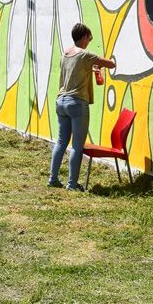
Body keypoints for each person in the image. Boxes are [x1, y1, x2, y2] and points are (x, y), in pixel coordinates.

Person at [48, 23, 116, 191]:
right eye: (89, 38)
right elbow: (111, 64)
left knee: (61, 142)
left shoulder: (65, 54)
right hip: (77, 103)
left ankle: (53, 178)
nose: (89, 42)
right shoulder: (85, 55)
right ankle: (71, 184)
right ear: (85, 37)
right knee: (77, 146)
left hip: (61, 101)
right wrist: (99, 65)